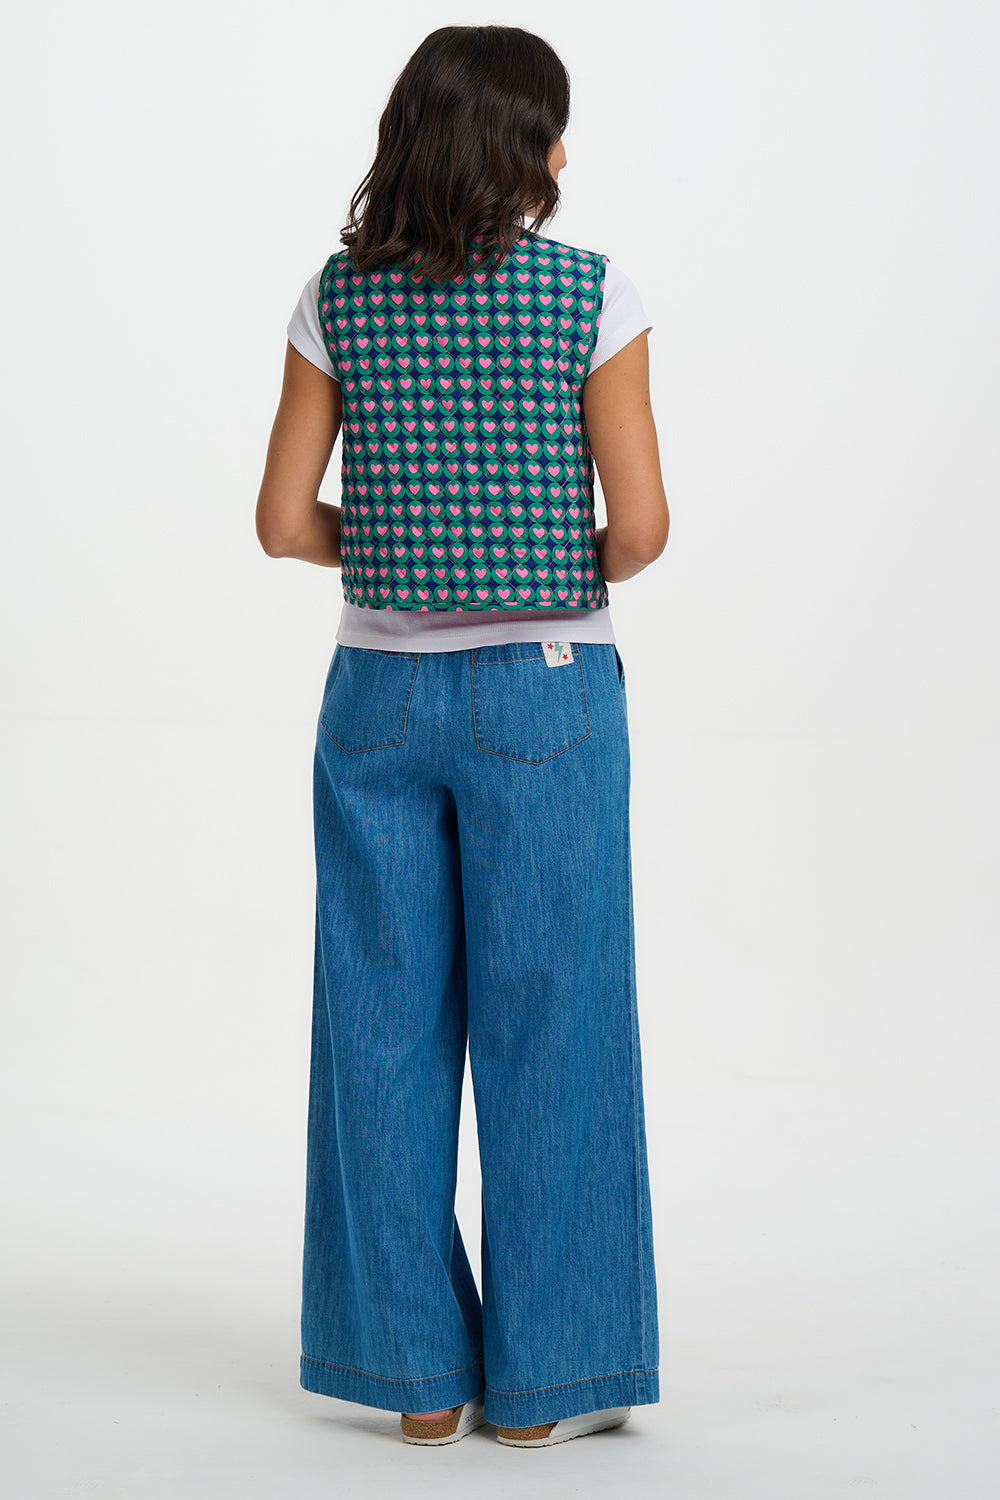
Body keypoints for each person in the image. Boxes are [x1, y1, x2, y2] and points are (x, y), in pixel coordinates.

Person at [255, 24, 669, 1449]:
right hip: (547, 687)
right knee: (554, 1022)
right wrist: (529, 550)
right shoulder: (587, 295)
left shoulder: (337, 298)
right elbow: (649, 529)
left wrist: (409, 547)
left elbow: (279, 522)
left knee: (379, 1028)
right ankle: (547, 1388)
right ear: (529, 152)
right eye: (557, 129)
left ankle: (417, 1380)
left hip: (375, 694)